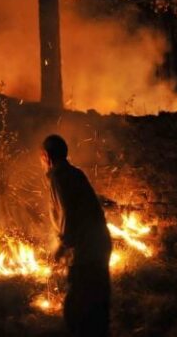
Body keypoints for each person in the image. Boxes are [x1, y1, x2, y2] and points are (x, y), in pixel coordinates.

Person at [41, 134, 112, 337]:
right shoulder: (75, 173)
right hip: (100, 243)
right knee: (98, 305)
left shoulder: (57, 176)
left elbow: (68, 213)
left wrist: (62, 246)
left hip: (87, 250)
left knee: (77, 310)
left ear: (46, 156)